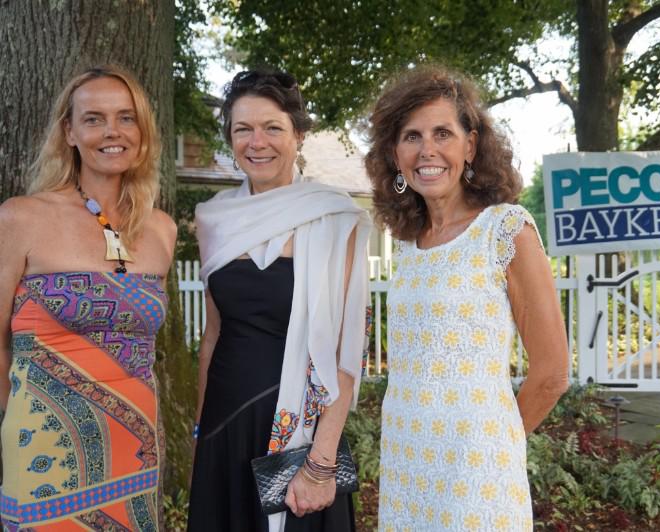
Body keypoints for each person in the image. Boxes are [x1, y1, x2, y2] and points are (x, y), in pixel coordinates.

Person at [364, 65, 570, 531]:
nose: (427, 150)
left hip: (476, 473)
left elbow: (553, 372)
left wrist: (493, 447)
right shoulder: (407, 243)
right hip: (405, 461)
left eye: (443, 133)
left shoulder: (505, 230)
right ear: (395, 155)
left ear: (470, 146)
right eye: (411, 137)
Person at [188, 69, 372, 532]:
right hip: (224, 426)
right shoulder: (214, 220)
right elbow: (213, 336)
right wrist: (198, 433)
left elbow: (347, 351)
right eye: (242, 129)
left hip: (302, 434)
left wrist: (322, 461)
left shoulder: (335, 218)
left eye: (272, 127)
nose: (257, 142)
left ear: (299, 134)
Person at [0, 65, 176, 530]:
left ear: (142, 131)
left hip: (135, 444)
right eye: (94, 119)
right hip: (42, 446)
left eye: (126, 118)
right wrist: (12, 424)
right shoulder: (21, 218)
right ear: (69, 132)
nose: (112, 132)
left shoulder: (162, 230)